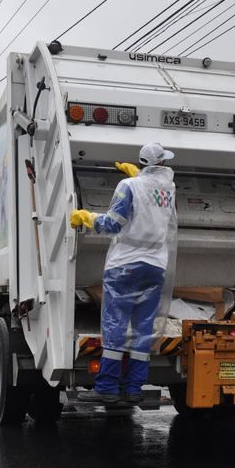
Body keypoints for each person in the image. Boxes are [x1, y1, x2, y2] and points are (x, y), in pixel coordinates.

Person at [70, 142, 177, 403]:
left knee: (115, 325)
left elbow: (112, 225)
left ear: (142, 164)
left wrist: (86, 217)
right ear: (160, 164)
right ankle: (134, 389)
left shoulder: (129, 186)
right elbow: (151, 205)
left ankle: (106, 387)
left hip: (126, 266)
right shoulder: (169, 188)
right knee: (142, 329)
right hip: (155, 267)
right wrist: (139, 178)